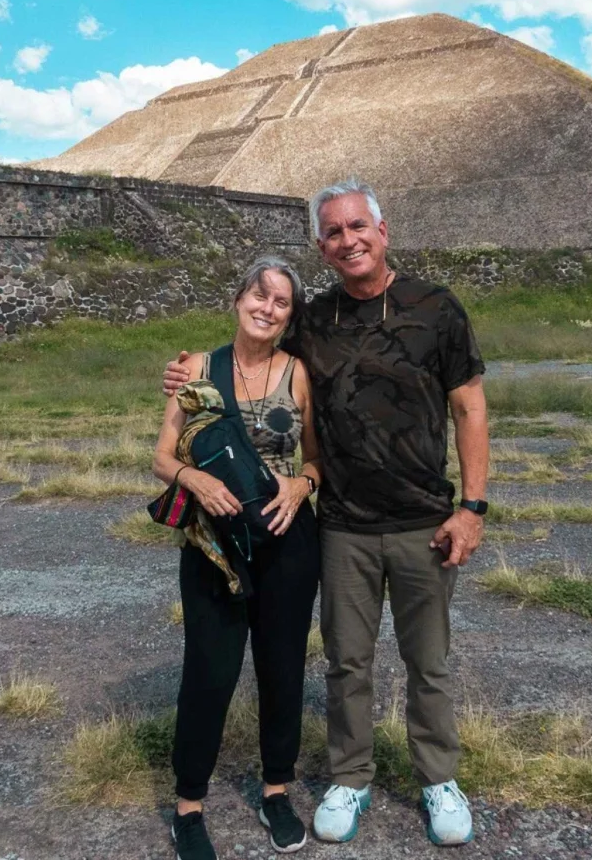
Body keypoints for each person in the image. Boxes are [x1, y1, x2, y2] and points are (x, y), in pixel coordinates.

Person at [163, 178, 488, 848]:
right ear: (322, 244)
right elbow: (249, 347)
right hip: (342, 525)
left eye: (357, 227)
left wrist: (472, 506)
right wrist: (184, 373)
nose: (348, 240)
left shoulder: (437, 308)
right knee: (346, 662)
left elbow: (469, 406)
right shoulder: (316, 318)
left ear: (383, 228)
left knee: (428, 661)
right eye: (334, 232)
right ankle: (349, 775)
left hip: (425, 517)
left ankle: (438, 778)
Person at [152, 256, 325, 860]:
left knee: (282, 670)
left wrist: (302, 485)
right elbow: (162, 456)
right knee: (210, 670)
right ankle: (189, 807)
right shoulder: (197, 368)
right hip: (214, 549)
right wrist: (192, 481)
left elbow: (316, 458)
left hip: (288, 543)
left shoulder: (298, 373)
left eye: (281, 302)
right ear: (237, 298)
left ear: (289, 316)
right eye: (260, 295)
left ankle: (276, 791)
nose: (268, 308)